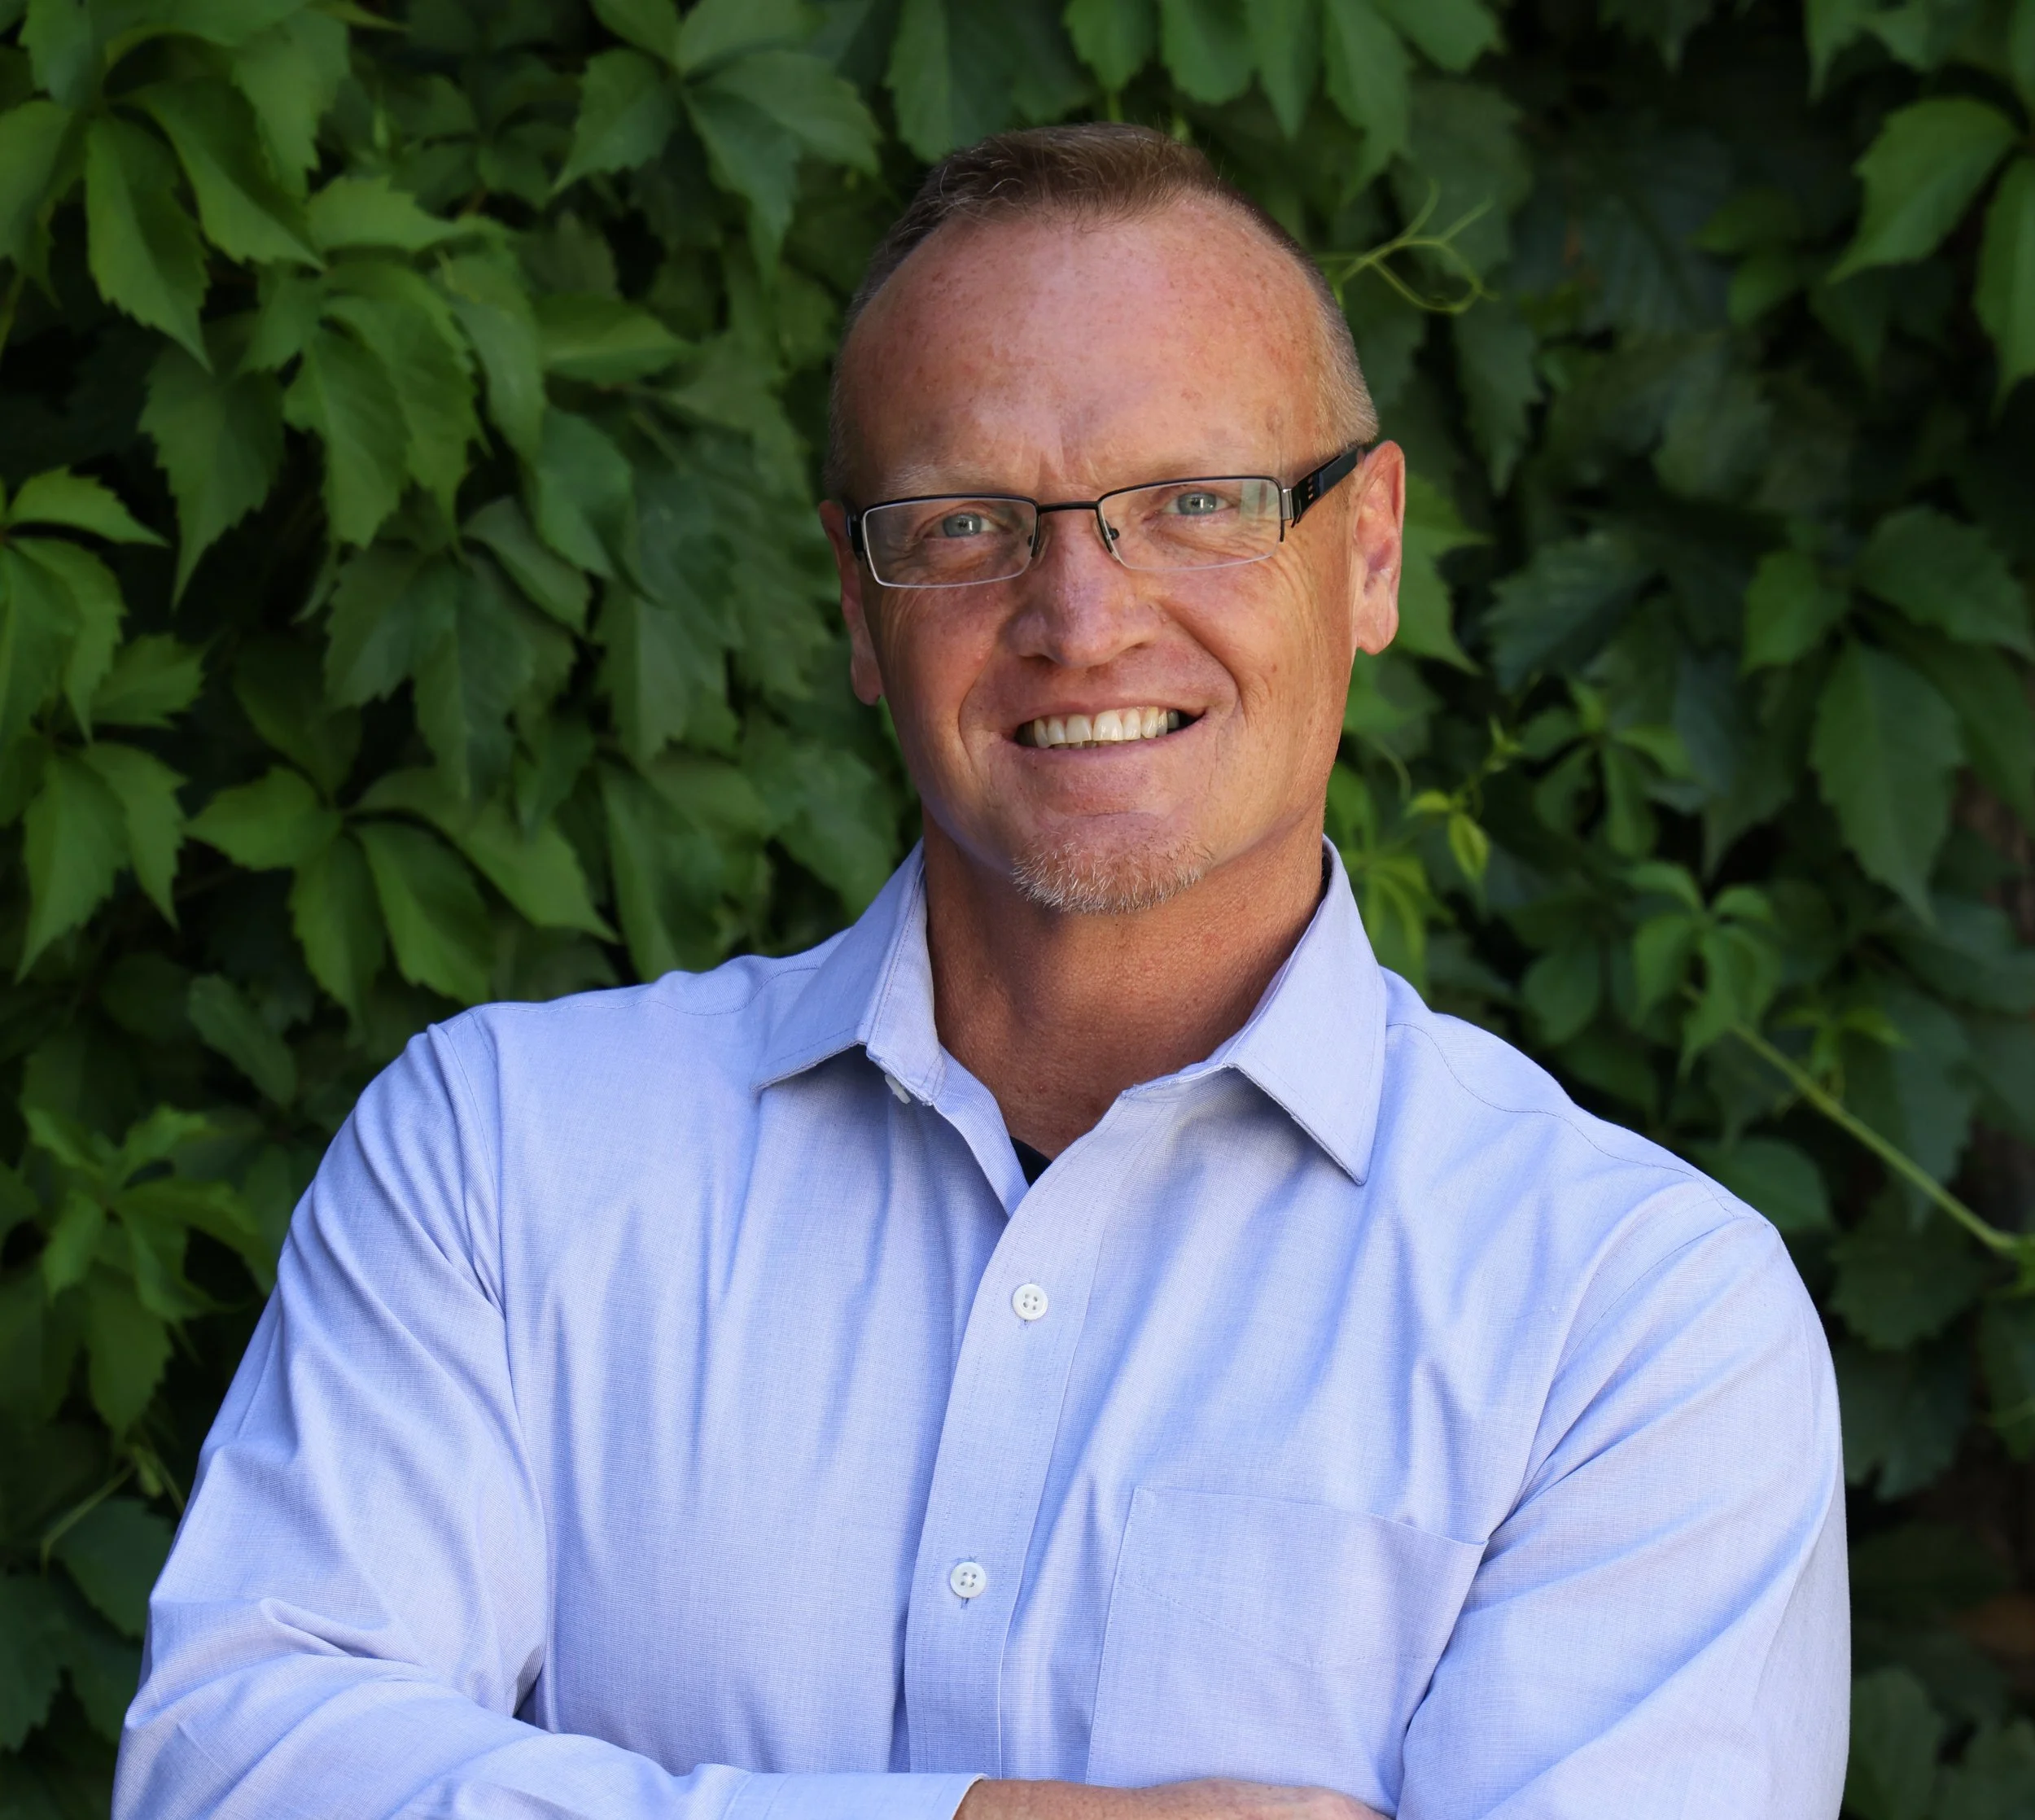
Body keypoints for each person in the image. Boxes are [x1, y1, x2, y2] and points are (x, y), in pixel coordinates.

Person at [115, 124, 1848, 1820]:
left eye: (1197, 502)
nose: (1082, 617)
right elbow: (235, 1774)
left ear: (1371, 547)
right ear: (858, 607)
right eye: (964, 523)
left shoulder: (1629, 1321)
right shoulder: (501, 1156)